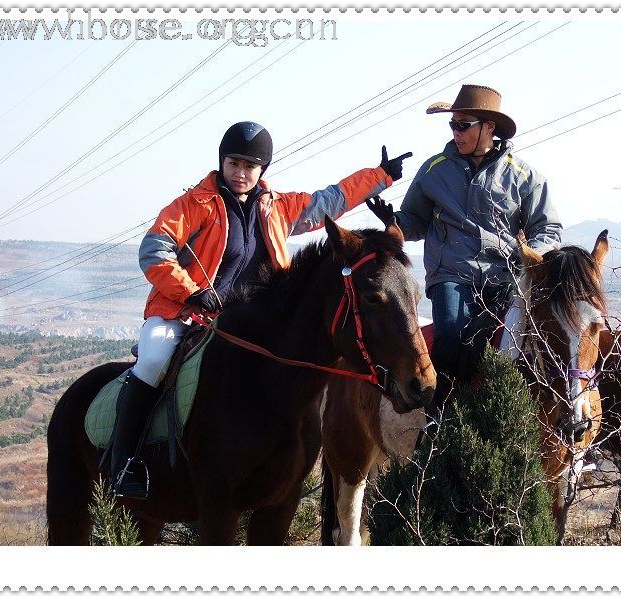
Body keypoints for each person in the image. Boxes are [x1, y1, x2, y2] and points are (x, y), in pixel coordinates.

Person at [110, 121, 413, 498]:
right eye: (234, 163)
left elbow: (330, 201)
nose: (241, 173)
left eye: (250, 166)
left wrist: (379, 176)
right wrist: (191, 291)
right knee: (153, 360)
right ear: (222, 162)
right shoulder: (191, 206)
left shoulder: (278, 208)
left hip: (253, 321)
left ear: (262, 171)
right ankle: (123, 463)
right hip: (187, 314)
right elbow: (153, 252)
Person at [367, 84, 562, 412]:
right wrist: (394, 223)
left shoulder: (525, 177)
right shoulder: (434, 169)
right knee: (452, 340)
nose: (455, 132)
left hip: (506, 279)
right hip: (451, 277)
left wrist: (529, 256)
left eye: (463, 125)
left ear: (489, 127)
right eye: (452, 125)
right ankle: (438, 424)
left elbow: (549, 229)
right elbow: (415, 219)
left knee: (525, 345)